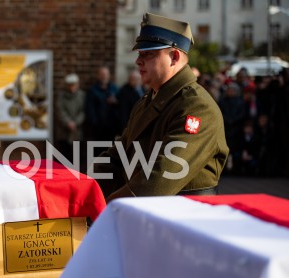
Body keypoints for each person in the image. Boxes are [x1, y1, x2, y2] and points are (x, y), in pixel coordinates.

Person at [90, 12, 229, 201]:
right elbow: (117, 156)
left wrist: (109, 206)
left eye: (148, 54)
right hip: (146, 213)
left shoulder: (197, 107)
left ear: (174, 57)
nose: (138, 61)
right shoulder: (148, 100)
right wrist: (80, 187)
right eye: (140, 54)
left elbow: (161, 177)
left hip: (183, 218)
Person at [55, 73, 85, 162]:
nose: (72, 87)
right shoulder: (61, 96)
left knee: (77, 158)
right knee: (64, 156)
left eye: (74, 85)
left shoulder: (82, 96)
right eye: (70, 85)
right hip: (64, 131)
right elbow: (60, 110)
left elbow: (83, 111)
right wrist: (68, 122)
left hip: (77, 131)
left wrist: (75, 122)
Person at [84, 65, 119, 143]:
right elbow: (89, 109)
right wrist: (95, 124)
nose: (104, 76)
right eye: (102, 74)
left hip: (112, 129)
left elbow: (121, 107)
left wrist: (115, 102)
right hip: (97, 129)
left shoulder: (115, 89)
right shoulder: (92, 90)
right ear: (98, 76)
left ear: (109, 75)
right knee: (98, 152)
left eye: (105, 74)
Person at [115, 69, 144, 135]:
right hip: (131, 125)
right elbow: (123, 112)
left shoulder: (143, 89)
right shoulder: (124, 91)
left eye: (137, 79)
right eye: (132, 79)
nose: (134, 81)